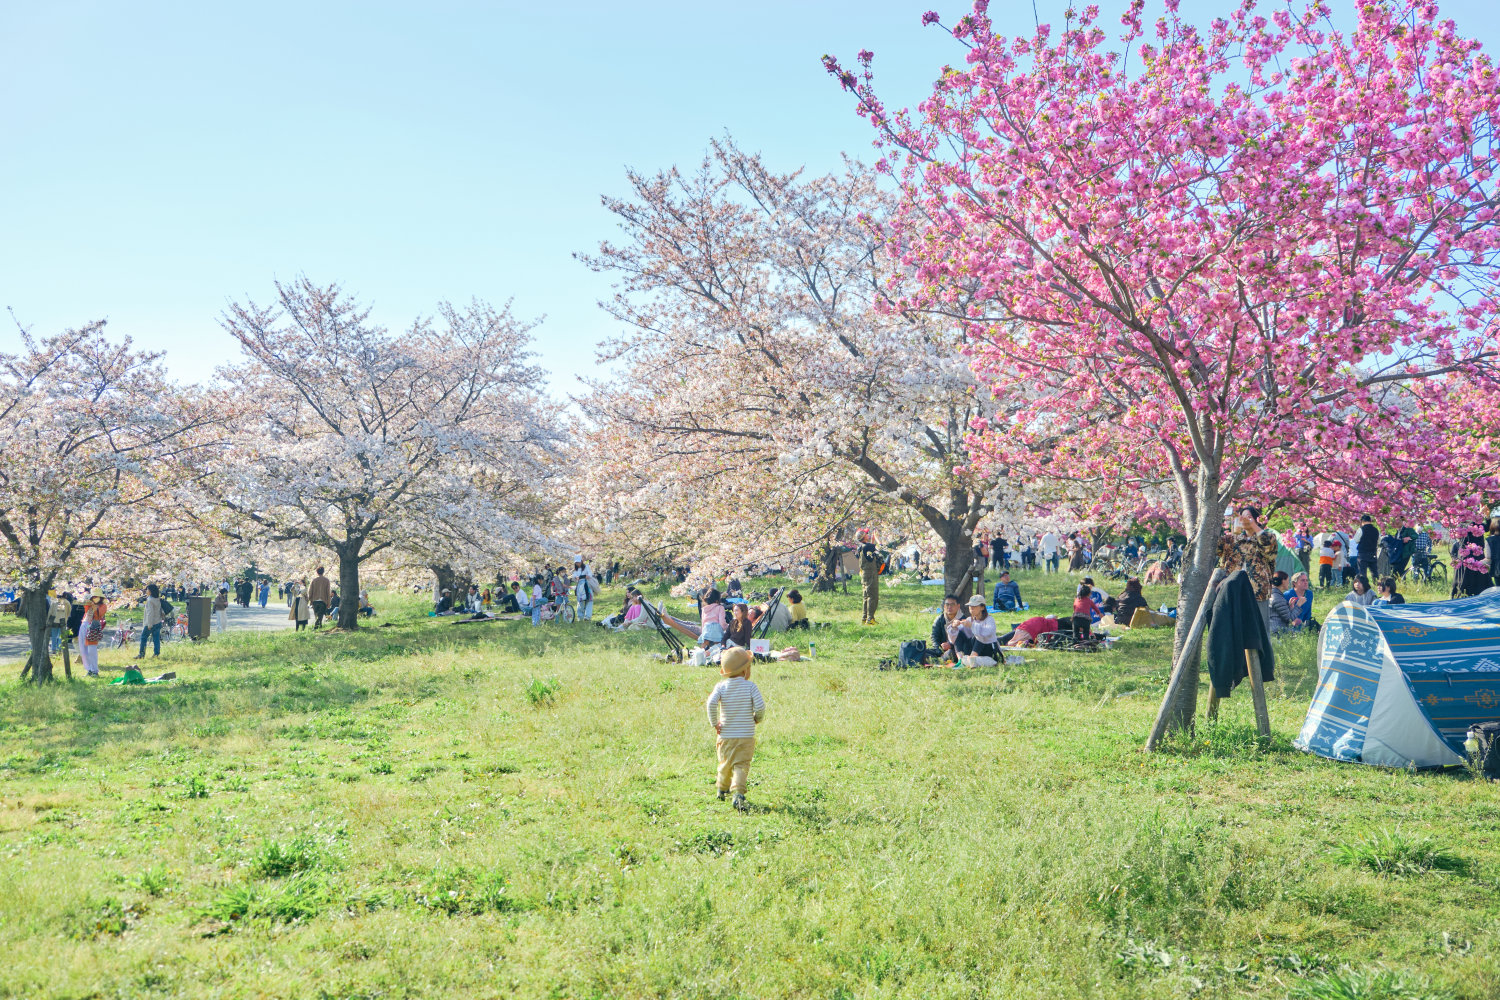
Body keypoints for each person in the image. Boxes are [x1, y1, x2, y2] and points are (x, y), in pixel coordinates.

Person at [707, 647, 765, 813]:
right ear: (745, 670)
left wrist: (715, 723)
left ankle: (721, 789)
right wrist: (757, 718)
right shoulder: (750, 687)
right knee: (741, 765)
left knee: (725, 763)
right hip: (746, 736)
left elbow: (711, 703)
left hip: (725, 735)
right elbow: (760, 706)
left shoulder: (721, 687)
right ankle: (738, 793)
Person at [956, 594, 1000, 663]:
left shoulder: (989, 619)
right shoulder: (969, 619)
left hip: (989, 649)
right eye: (970, 606)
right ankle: (960, 658)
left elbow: (986, 632)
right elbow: (958, 634)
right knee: (959, 634)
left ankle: (972, 658)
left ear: (982, 607)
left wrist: (972, 625)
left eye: (975, 606)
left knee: (979, 635)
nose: (971, 608)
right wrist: (954, 626)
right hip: (974, 648)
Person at [78, 594, 107, 677]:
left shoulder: (103, 606)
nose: (95, 598)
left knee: (92, 650)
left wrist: (95, 608)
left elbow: (98, 616)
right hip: (84, 625)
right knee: (83, 649)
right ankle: (89, 669)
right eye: (93, 597)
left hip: (93, 628)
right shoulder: (89, 604)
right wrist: (88, 604)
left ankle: (94, 670)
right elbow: (86, 613)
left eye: (96, 596)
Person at [857, 529, 882, 625]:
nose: (868, 534)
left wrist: (872, 541)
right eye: (866, 534)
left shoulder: (861, 547)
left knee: (866, 596)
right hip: (871, 573)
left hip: (864, 574)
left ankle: (864, 618)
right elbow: (881, 547)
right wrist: (877, 538)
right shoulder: (867, 546)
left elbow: (870, 551)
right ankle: (870, 619)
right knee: (873, 596)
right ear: (864, 537)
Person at [931, 594, 963, 663]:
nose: (949, 607)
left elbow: (964, 641)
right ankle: (939, 658)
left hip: (956, 650)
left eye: (952, 604)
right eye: (947, 604)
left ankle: (938, 660)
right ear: (944, 606)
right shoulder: (939, 619)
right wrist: (938, 650)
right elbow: (934, 636)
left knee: (950, 653)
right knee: (923, 651)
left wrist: (950, 645)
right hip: (941, 650)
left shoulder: (963, 620)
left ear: (958, 606)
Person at [136, 584, 164, 659]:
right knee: (156, 639)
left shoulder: (150, 600)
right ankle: (156, 654)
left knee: (143, 638)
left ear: (150, 591)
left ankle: (141, 654)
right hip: (158, 621)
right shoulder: (158, 599)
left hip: (151, 623)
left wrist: (149, 624)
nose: (146, 591)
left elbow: (150, 613)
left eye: (147, 589)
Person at [1355, 515, 1380, 587]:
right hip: (1373, 553)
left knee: (1362, 572)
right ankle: (1377, 586)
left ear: (1362, 521)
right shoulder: (1376, 530)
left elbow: (1356, 540)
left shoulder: (1361, 529)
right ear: (1370, 521)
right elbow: (1379, 541)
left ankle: (1364, 586)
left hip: (1362, 553)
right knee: (1374, 571)